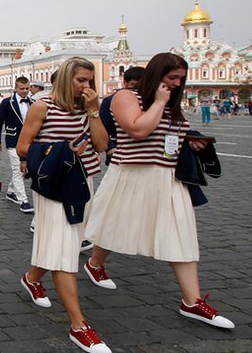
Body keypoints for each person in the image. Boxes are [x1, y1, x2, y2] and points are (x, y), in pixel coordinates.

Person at [85, 53, 235, 330]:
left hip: (167, 178)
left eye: (180, 79)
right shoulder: (125, 97)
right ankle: (95, 263)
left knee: (181, 233)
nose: (177, 84)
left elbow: (170, 137)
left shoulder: (172, 105)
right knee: (113, 226)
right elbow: (138, 129)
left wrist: (193, 143)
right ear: (156, 75)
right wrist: (160, 101)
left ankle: (192, 300)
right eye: (171, 78)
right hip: (131, 174)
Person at [15, 58, 111, 353]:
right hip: (55, 184)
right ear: (66, 79)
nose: (87, 86)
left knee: (64, 244)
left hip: (84, 183)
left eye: (90, 81)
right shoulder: (43, 106)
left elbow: (102, 145)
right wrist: (62, 149)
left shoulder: (89, 108)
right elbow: (23, 146)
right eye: (81, 80)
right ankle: (79, 326)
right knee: (63, 252)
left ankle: (31, 279)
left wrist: (94, 112)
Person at [0, 76, 35, 214]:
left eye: (27, 88)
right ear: (15, 88)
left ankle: (11, 191)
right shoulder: (6, 102)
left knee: (23, 168)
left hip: (29, 141)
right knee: (18, 169)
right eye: (21, 89)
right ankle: (23, 200)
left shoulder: (33, 102)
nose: (24, 91)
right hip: (13, 139)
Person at [99, 66, 144, 154]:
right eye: (133, 86)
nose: (136, 90)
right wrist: (110, 147)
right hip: (118, 151)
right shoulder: (109, 101)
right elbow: (103, 126)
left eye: (141, 86)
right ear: (125, 83)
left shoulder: (148, 101)